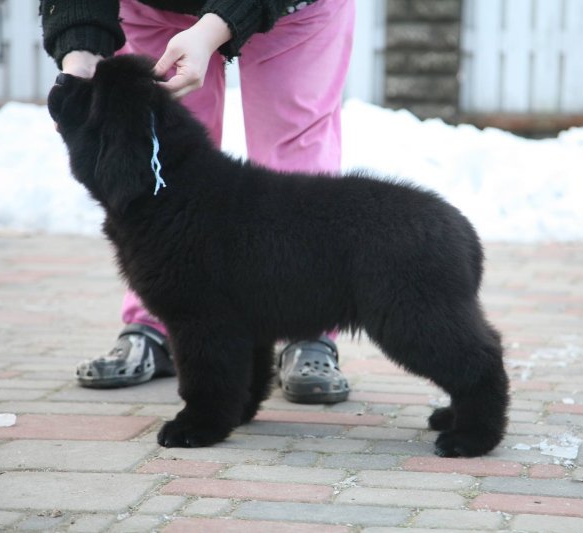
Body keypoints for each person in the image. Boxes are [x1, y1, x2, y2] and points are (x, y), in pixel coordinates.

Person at [40, 0, 354, 404]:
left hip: (295, 9)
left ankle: (306, 326)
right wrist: (80, 58)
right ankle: (160, 321)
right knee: (162, 156)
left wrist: (212, 30)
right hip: (154, 7)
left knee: (296, 151)